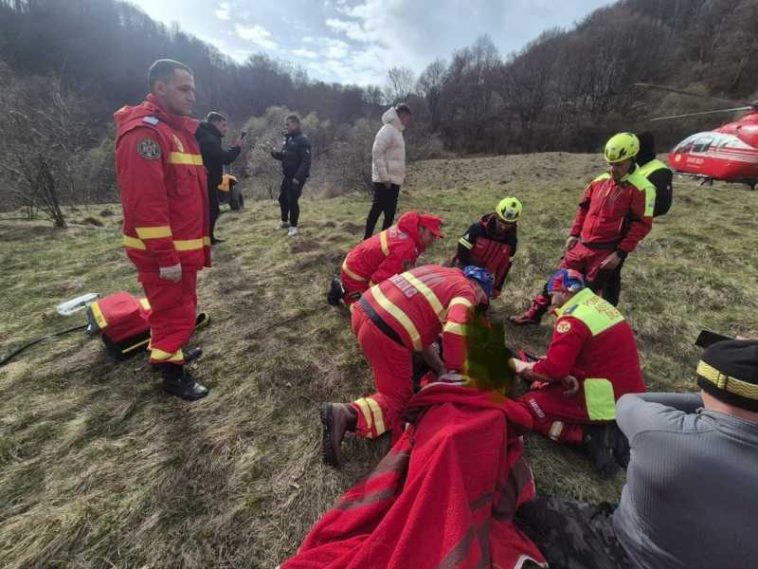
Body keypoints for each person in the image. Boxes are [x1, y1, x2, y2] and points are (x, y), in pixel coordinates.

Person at [515, 339, 758, 569]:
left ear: (708, 386)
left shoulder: (664, 431)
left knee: (530, 514)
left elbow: (628, 401)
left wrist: (707, 399)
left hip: (631, 552)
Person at [320, 265, 494, 466]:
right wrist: (455, 372)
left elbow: (420, 326)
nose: (480, 308)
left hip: (363, 310)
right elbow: (455, 332)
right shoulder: (467, 292)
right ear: (479, 288)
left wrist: (439, 367)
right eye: (483, 302)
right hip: (384, 333)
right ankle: (347, 414)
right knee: (399, 401)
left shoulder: (440, 272)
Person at [114, 59, 210, 401]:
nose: (191, 96)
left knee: (180, 305)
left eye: (193, 89)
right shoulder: (145, 134)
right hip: (164, 253)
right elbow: (146, 204)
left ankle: (173, 349)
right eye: (184, 88)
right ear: (160, 88)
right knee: (173, 310)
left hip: (180, 249)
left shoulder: (178, 131)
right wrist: (165, 256)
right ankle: (172, 374)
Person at [512, 268, 646, 478]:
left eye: (553, 294)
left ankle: (585, 435)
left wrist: (524, 368)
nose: (551, 301)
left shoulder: (572, 319)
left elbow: (553, 370)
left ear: (565, 292)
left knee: (530, 406)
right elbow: (592, 352)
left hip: (602, 397)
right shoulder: (598, 304)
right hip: (625, 391)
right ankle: (604, 427)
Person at [510, 132, 656, 324]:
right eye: (610, 164)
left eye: (619, 165)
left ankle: (578, 327)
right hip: (583, 244)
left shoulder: (643, 188)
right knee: (558, 279)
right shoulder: (599, 181)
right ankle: (534, 314)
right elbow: (584, 208)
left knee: (586, 294)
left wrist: (620, 253)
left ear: (632, 159)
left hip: (607, 250)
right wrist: (574, 234)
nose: (612, 169)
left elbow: (642, 225)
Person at [603, 131, 673, 306]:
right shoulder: (625, 166)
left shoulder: (659, 171)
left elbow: (661, 206)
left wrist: (630, 214)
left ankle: (607, 309)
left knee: (610, 272)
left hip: (625, 229)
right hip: (606, 225)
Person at [327, 211, 444, 306]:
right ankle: (341, 290)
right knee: (366, 312)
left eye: (436, 236)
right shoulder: (405, 247)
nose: (434, 239)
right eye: (432, 234)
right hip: (356, 275)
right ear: (421, 229)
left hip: (355, 264)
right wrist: (376, 300)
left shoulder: (405, 231)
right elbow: (380, 279)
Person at [453, 196, 521, 299]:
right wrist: (474, 269)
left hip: (483, 280)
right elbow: (462, 251)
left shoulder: (511, 242)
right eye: (502, 221)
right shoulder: (477, 229)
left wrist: (497, 287)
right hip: (461, 271)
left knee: (480, 305)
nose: (503, 226)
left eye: (508, 224)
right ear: (496, 214)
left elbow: (504, 266)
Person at [364, 103, 412, 239]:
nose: (408, 121)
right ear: (401, 115)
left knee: (390, 213)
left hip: (394, 180)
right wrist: (385, 178)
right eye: (407, 117)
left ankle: (383, 241)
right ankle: (366, 239)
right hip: (384, 180)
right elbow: (377, 153)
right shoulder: (387, 130)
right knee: (377, 210)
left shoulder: (397, 131)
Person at [195, 111, 243, 245]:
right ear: (214, 123)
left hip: (207, 180)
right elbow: (225, 158)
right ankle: (206, 239)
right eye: (223, 125)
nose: (226, 129)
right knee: (211, 210)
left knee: (211, 210)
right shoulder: (209, 139)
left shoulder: (207, 136)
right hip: (206, 181)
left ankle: (208, 238)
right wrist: (237, 148)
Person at [271, 114, 311, 237]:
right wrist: (275, 154)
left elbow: (306, 161)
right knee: (282, 199)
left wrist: (297, 177)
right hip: (287, 176)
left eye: (288, 124)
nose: (286, 127)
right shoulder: (288, 139)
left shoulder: (303, 140)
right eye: (286, 124)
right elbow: (285, 156)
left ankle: (294, 227)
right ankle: (284, 222)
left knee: (292, 200)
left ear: (296, 124)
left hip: (297, 177)